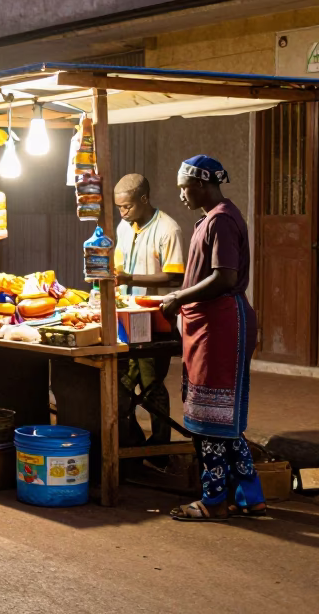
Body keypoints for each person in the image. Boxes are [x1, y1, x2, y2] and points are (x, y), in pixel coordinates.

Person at [161, 155, 265, 522]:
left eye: (184, 187)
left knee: (211, 417)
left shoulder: (221, 219)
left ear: (201, 184)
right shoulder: (210, 218)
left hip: (221, 326)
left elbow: (224, 276)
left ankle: (214, 499)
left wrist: (178, 297)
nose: (182, 195)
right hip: (209, 324)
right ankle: (250, 496)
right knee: (222, 419)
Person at [112, 173, 185, 460]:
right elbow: (118, 266)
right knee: (123, 382)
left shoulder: (169, 229)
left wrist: (130, 277)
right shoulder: (123, 226)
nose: (123, 212)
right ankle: (132, 442)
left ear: (144, 199)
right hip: (126, 317)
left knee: (151, 383)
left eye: (127, 206)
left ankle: (160, 448)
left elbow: (175, 276)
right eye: (119, 207)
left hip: (156, 320)